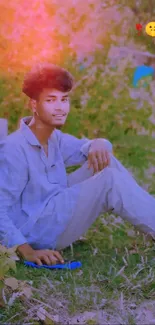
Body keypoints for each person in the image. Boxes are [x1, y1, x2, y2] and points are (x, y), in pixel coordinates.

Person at [0, 63, 155, 266]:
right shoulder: (14, 148)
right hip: (37, 232)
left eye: (64, 100)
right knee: (109, 180)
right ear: (34, 104)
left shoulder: (55, 138)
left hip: (53, 210)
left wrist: (100, 143)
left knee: (104, 161)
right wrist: (28, 251)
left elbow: (89, 148)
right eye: (51, 100)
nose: (60, 107)